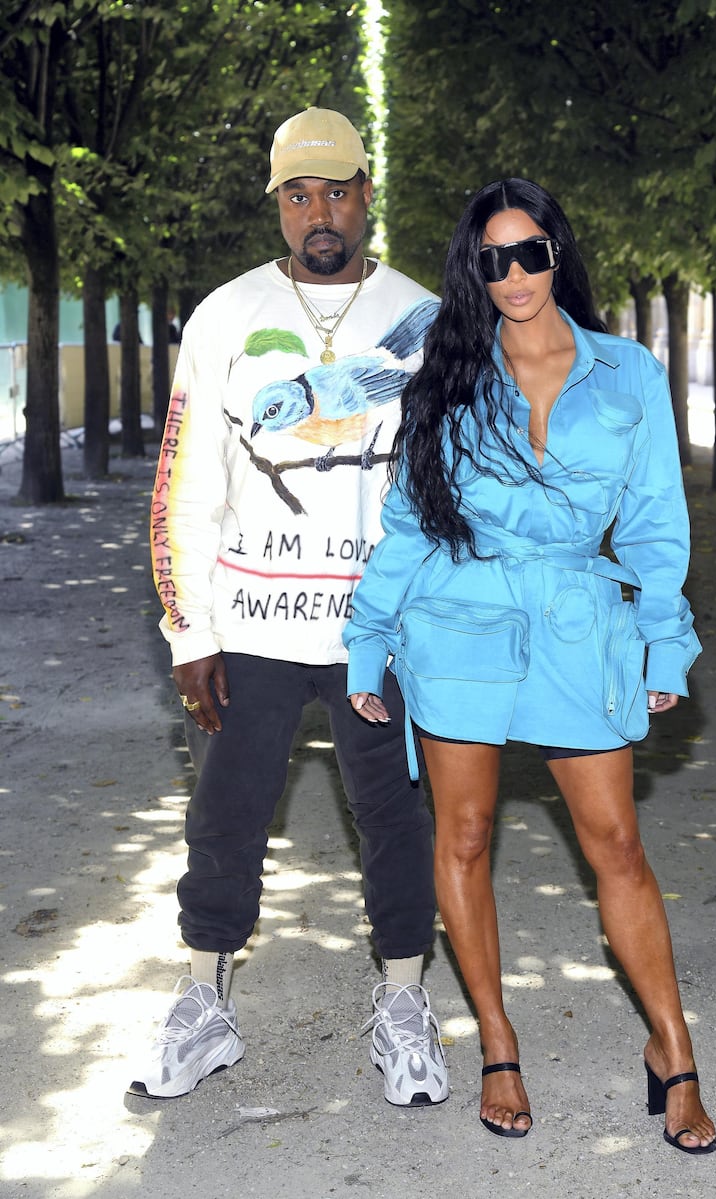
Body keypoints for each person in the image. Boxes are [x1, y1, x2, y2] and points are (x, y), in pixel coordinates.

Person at [344, 178, 716, 1151]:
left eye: (529, 252)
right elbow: (409, 523)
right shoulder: (448, 377)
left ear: (556, 254)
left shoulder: (627, 372)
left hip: (576, 623)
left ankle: (671, 1048)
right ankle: (497, 1042)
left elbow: (651, 522)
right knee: (461, 835)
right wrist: (367, 637)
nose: (512, 275)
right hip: (458, 624)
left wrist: (663, 635)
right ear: (472, 271)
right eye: (491, 259)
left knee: (617, 846)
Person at [131, 107, 449, 1109]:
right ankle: (202, 1002)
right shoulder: (224, 314)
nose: (320, 212)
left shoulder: (429, 318)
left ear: (366, 195)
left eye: (337, 190)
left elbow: (449, 479)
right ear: (277, 204)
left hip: (379, 636)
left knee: (395, 819)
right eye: (298, 194)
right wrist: (190, 631)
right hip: (252, 627)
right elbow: (186, 482)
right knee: (225, 819)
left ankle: (402, 1001)